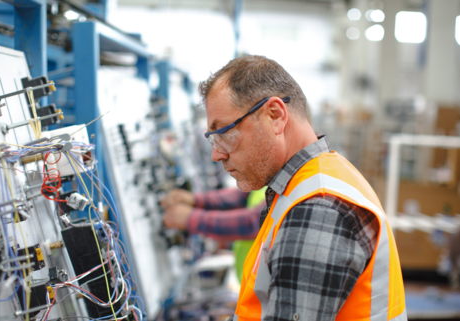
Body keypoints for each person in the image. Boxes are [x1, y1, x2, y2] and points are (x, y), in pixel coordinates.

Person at [198, 55, 406, 321]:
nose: (217, 154)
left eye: (224, 134)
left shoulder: (318, 207)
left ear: (275, 116)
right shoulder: (309, 183)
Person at [162, 187, 265, 280]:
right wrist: (196, 200)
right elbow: (244, 196)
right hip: (248, 279)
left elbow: (254, 223)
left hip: (257, 288)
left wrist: (192, 219)